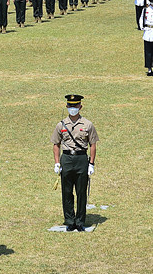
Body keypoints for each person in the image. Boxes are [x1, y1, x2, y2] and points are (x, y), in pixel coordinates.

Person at [52, 94, 98, 232]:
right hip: (66, 159)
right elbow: (56, 144)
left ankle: (80, 221)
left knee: (81, 192)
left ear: (80, 107)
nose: (73, 108)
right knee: (66, 192)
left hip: (81, 159)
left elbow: (93, 144)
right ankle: (70, 220)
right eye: (71, 105)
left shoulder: (87, 124)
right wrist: (57, 163)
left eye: (76, 105)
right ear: (67, 106)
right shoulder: (61, 124)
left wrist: (91, 164)